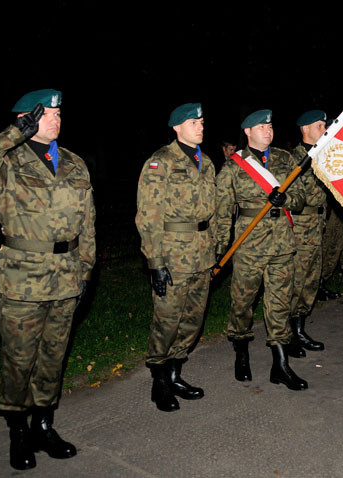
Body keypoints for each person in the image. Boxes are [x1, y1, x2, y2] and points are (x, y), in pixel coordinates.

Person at [0, 89, 95, 470]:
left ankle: (43, 425)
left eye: (59, 113)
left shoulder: (74, 163)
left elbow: (88, 223)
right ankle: (17, 431)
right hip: (23, 279)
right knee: (19, 360)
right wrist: (13, 134)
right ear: (26, 119)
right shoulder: (6, 162)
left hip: (66, 276)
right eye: (47, 114)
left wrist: (85, 271)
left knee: (53, 358)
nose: (56, 119)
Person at [214, 109, 308, 391]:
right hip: (248, 246)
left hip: (282, 245)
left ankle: (280, 365)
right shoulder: (233, 166)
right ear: (247, 132)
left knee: (279, 305)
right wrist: (219, 250)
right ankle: (241, 352)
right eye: (261, 127)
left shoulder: (285, 158)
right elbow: (222, 212)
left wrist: (286, 198)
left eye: (270, 126)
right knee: (243, 303)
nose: (268, 131)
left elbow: (300, 198)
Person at [135, 103, 215, 412]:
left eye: (202, 121)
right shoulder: (161, 162)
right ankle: (160, 380)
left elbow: (215, 211)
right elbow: (148, 215)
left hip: (203, 254)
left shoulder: (206, 162)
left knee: (193, 320)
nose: (200, 126)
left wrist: (216, 250)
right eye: (194, 122)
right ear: (177, 127)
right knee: (167, 320)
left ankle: (175, 373)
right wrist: (155, 261)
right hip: (173, 255)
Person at [287, 110, 328, 355]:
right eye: (320, 125)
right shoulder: (294, 159)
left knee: (311, 281)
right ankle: (289, 334)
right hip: (300, 226)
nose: (325, 129)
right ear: (305, 129)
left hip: (317, 224)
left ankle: (300, 329)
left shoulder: (324, 156)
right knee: (296, 281)